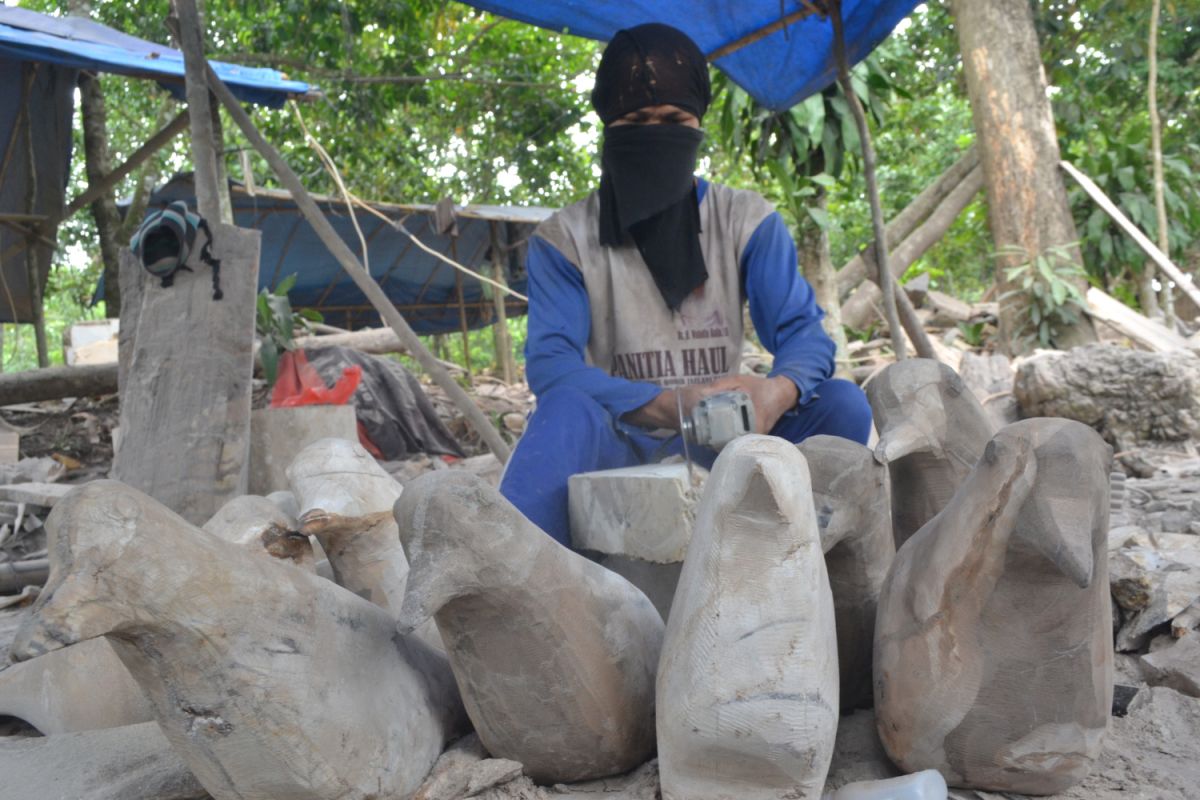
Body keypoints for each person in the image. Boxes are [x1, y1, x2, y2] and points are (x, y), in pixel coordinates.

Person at [499, 22, 871, 547]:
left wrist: (776, 391)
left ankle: (807, 554)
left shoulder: (746, 221)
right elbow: (553, 368)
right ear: (608, 126)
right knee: (563, 413)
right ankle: (514, 570)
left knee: (842, 405)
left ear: (697, 124)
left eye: (673, 119)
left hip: (730, 440)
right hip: (620, 441)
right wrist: (672, 405)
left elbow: (804, 337)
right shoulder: (565, 239)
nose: (656, 133)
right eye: (635, 121)